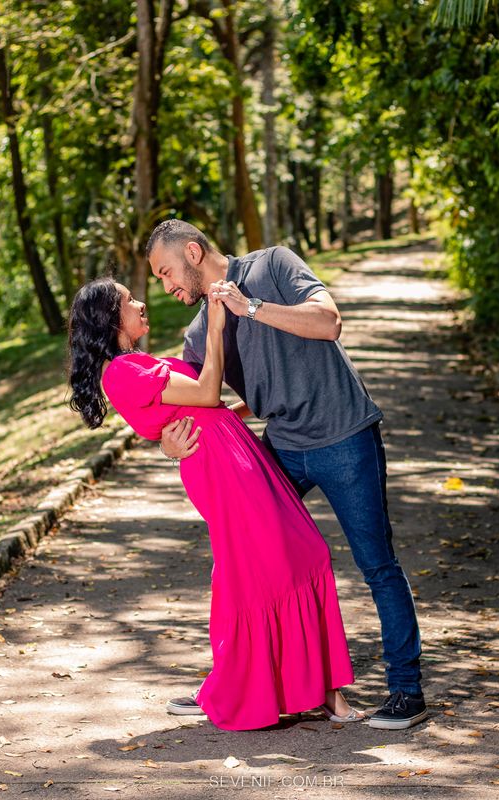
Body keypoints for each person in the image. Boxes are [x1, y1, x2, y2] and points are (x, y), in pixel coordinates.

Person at [149, 219, 427, 730]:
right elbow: (188, 401)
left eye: (167, 273)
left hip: (346, 436)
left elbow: (329, 322)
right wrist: (168, 442)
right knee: (238, 557)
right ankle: (230, 687)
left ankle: (406, 691)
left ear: (193, 252)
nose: (167, 288)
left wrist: (249, 307)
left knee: (377, 564)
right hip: (281, 447)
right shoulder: (197, 333)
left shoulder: (274, 264)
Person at [66, 276, 362, 731]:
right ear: (110, 318)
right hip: (223, 472)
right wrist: (218, 326)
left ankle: (306, 688)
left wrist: (265, 406)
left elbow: (207, 407)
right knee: (276, 567)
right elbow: (206, 392)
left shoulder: (138, 363)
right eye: (130, 301)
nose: (141, 303)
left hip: (240, 458)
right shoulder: (122, 372)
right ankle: (286, 691)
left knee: (295, 559)